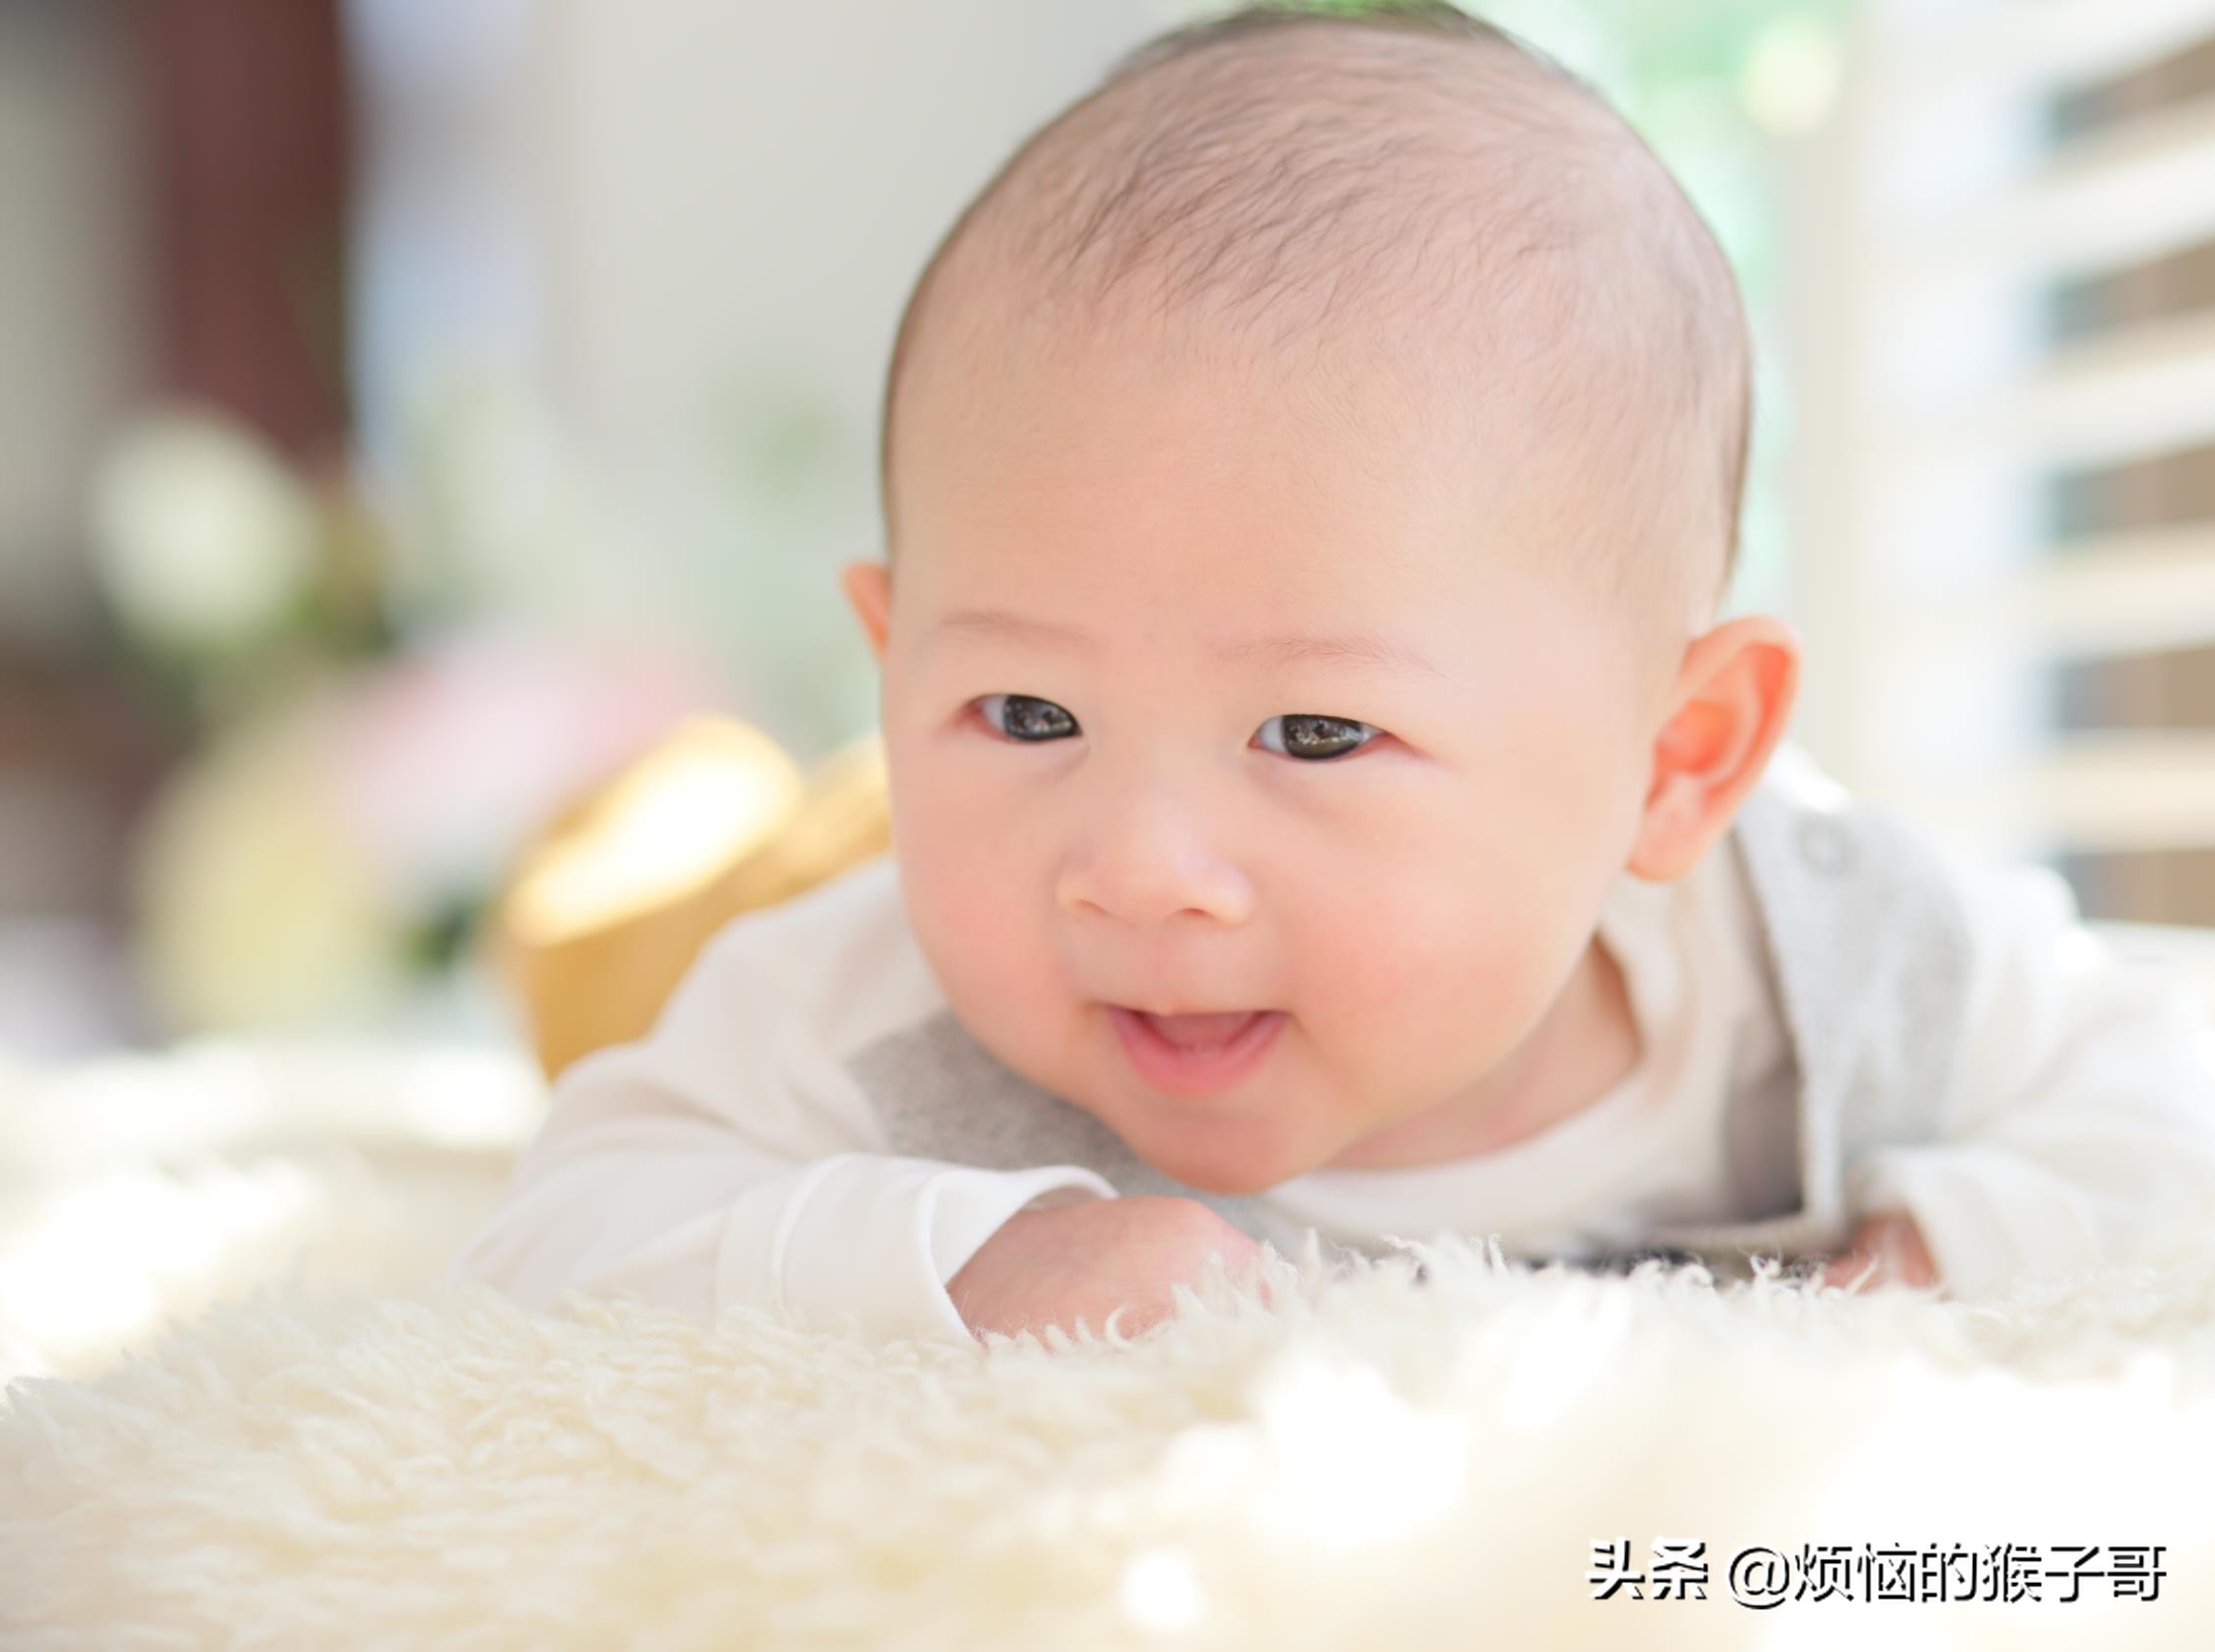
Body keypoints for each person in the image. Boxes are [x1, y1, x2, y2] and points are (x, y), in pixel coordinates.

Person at [445, 2, 2215, 1345]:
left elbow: (2174, 1076)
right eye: (1026, 711)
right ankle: (680, 804)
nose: (1139, 863)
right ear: (901, 663)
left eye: (1314, 733)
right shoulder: (885, 1009)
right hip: (784, 878)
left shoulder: (1832, 962)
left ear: (1676, 760)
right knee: (628, 933)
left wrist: (1941, 1246)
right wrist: (978, 1260)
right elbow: (564, 1223)